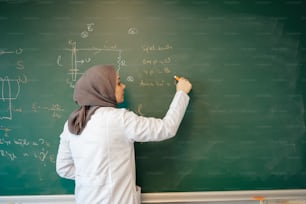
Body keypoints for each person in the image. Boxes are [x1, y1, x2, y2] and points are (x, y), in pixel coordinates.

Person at [56, 64, 192, 204]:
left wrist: (94, 177)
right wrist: (181, 93)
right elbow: (166, 128)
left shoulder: (72, 123)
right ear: (104, 89)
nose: (124, 86)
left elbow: (63, 168)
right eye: (119, 83)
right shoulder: (119, 119)